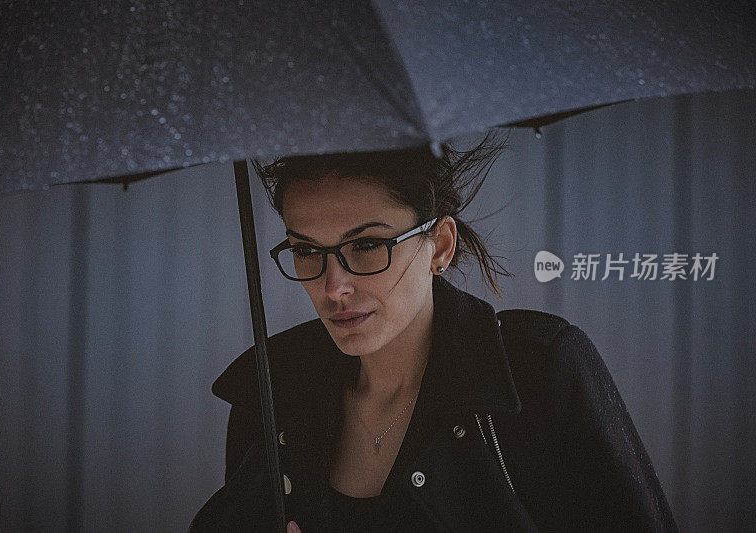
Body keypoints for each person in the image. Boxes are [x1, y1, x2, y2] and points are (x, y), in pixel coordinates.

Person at [189, 132, 677, 532]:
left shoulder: (535, 372)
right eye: (306, 249)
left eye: (366, 246)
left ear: (441, 245)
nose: (334, 287)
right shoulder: (272, 389)